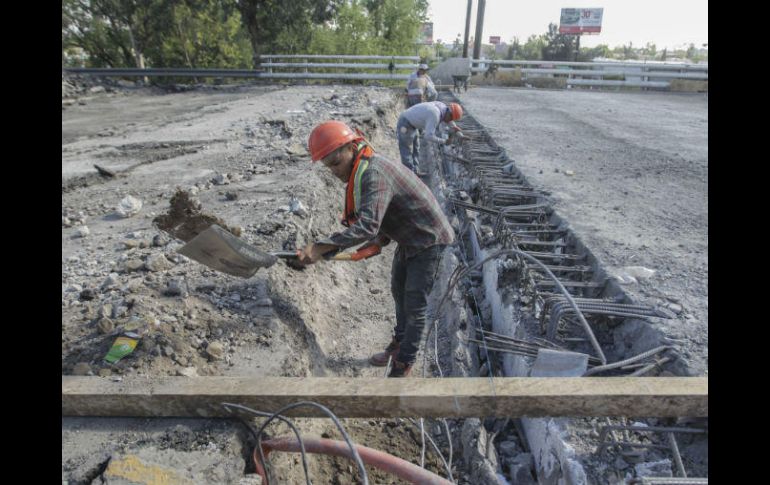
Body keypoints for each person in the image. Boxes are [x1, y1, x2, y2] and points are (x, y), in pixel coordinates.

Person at [299, 121, 455, 377]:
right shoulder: (363, 166)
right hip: (409, 237)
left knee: (415, 304)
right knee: (398, 290)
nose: (335, 172)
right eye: (328, 167)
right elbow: (384, 214)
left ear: (351, 147)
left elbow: (368, 225)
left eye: (336, 163)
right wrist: (380, 239)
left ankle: (404, 364)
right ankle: (399, 343)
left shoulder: (373, 173)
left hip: (429, 240)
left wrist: (318, 248)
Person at [395, 101, 463, 174]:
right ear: (449, 114)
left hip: (412, 122)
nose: (449, 121)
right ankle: (408, 175)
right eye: (450, 119)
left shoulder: (443, 107)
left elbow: (448, 120)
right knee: (406, 150)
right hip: (405, 123)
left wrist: (454, 127)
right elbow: (428, 136)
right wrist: (444, 141)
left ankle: (414, 171)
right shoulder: (435, 115)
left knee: (416, 147)